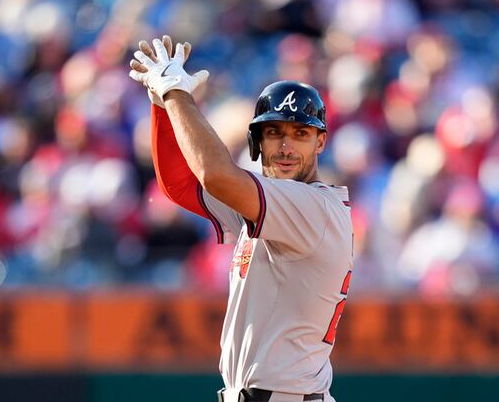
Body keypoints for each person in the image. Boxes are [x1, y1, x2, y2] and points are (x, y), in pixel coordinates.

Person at [129, 35, 354, 402]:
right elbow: (182, 185)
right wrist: (163, 105)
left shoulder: (312, 206)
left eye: (300, 133)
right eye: (274, 132)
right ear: (257, 141)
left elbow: (215, 175)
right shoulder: (274, 204)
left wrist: (176, 94)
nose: (286, 146)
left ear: (320, 142)